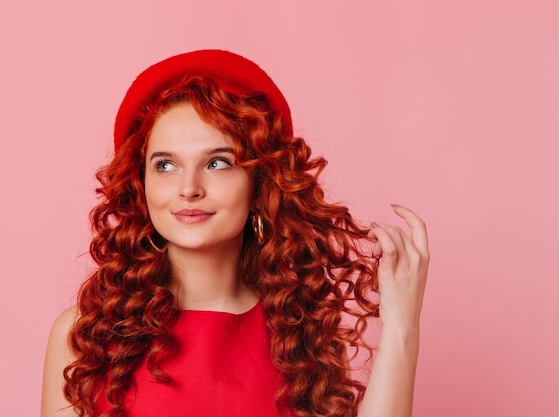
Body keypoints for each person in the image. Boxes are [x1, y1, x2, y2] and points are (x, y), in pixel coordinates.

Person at [41, 49, 429, 417]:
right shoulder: (86, 336)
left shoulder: (303, 340)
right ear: (140, 186)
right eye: (165, 165)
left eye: (218, 162)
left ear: (260, 184)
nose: (189, 187)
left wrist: (401, 325)